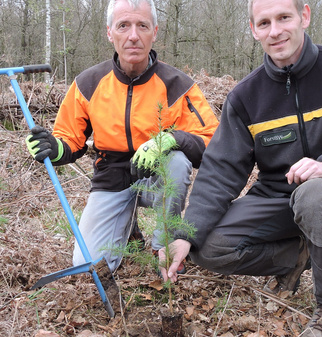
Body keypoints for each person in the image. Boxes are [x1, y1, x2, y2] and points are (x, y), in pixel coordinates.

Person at [158, 0, 322, 336]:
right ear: (254, 30)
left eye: (284, 18)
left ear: (305, 16)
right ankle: (301, 252)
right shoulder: (245, 96)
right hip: (276, 199)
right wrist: (186, 234)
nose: (275, 31)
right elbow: (220, 170)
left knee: (315, 197)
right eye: (264, 23)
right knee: (208, 246)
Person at [25, 0, 219, 273]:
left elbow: (211, 140)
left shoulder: (178, 85)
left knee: (176, 161)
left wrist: (169, 139)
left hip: (156, 177)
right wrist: (53, 148)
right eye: (123, 26)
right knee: (88, 266)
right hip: (112, 177)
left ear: (155, 31)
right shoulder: (89, 83)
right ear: (109, 32)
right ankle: (128, 230)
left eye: (142, 26)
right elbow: (70, 139)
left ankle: (162, 245)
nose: (133, 36)